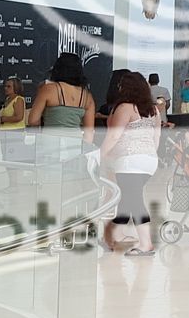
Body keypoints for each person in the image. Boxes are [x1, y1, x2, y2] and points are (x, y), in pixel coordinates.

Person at [100, 71, 162, 256]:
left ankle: (146, 244)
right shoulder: (154, 110)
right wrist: (147, 155)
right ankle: (114, 236)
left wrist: (99, 155)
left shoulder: (125, 107)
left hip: (129, 161)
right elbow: (156, 137)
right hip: (149, 160)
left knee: (134, 201)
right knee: (127, 200)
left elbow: (114, 136)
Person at [28, 51, 96, 152]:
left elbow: (33, 120)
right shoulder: (87, 96)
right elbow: (89, 131)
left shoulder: (48, 89)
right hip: (75, 146)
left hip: (50, 144)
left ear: (57, 69)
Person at [0, 77, 31, 162]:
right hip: (5, 133)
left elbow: (19, 117)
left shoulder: (19, 99)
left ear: (16, 87)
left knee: (14, 159)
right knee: (6, 158)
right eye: (5, 86)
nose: (5, 88)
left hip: (15, 133)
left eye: (9, 86)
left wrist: (3, 119)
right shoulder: (7, 99)